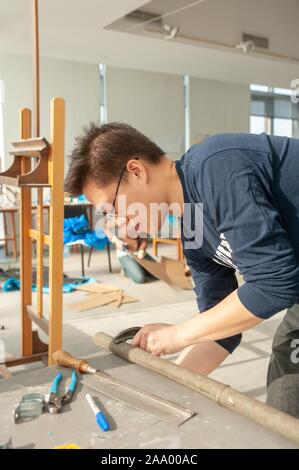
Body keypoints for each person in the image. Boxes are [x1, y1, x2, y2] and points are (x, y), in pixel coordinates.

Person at [65, 122, 299, 418]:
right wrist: (160, 389)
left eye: (111, 209)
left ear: (136, 171)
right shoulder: (193, 229)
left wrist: (178, 335)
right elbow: (221, 333)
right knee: (287, 390)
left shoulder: (217, 166)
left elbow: (273, 285)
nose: (115, 222)